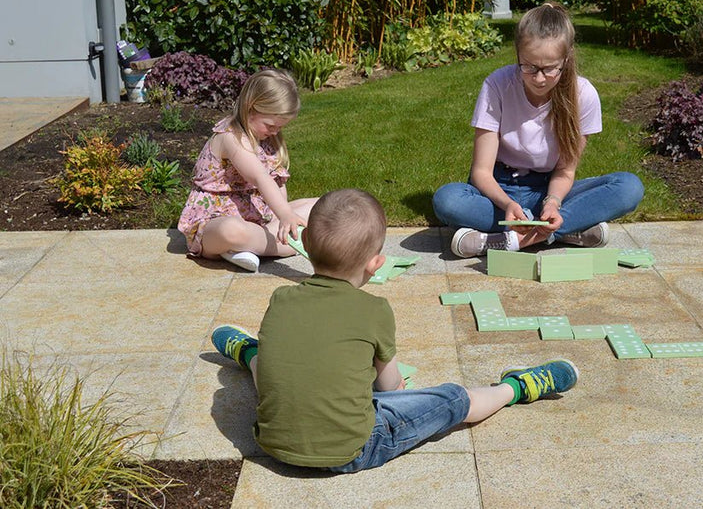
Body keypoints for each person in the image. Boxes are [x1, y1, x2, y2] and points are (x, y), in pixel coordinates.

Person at [210, 188, 579, 473]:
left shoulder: (282, 297)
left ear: (304, 246)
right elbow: (390, 389)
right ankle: (516, 388)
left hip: (272, 444)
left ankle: (249, 353)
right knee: (450, 400)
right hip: (350, 451)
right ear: (376, 263)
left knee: (277, 364)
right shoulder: (374, 309)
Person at [432, 1, 644, 258]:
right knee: (448, 201)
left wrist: (553, 203)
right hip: (498, 190)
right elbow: (481, 172)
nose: (539, 78)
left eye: (550, 68)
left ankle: (508, 239)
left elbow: (565, 170)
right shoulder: (497, 85)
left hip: (549, 189)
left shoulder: (583, 94)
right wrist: (508, 204)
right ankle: (564, 231)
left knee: (628, 187)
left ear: (566, 59)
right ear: (518, 55)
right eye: (529, 66)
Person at [177, 68, 317, 273]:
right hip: (215, 225)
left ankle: (249, 248)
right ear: (250, 108)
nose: (275, 131)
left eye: (280, 127)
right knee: (231, 231)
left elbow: (276, 183)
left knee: (322, 206)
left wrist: (283, 217)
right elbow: (260, 177)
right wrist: (286, 215)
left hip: (259, 221)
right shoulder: (231, 137)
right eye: (270, 125)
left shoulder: (267, 139)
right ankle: (286, 245)